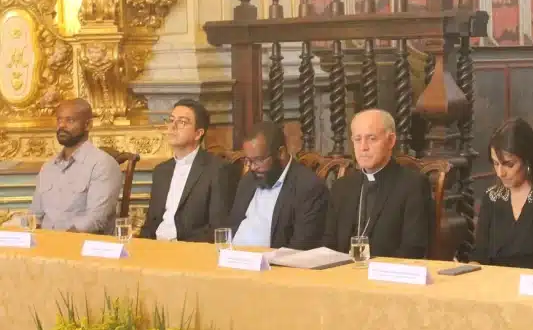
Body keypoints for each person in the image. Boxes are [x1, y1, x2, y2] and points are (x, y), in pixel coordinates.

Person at [323, 109, 433, 259]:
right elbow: (328, 245)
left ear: (391, 141)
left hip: (387, 278)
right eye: (357, 139)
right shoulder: (341, 187)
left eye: (372, 138)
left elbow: (413, 249)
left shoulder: (412, 186)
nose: (363, 147)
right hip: (342, 277)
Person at [469, 118, 533, 270]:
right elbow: (479, 255)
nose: (500, 173)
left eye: (508, 164)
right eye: (496, 163)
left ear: (528, 161)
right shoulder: (491, 198)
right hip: (494, 287)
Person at [140, 99, 230, 242]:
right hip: (155, 249)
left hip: (190, 251)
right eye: (171, 120)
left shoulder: (217, 169)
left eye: (182, 122)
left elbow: (217, 228)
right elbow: (150, 224)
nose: (172, 127)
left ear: (198, 133)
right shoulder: (161, 171)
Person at [229, 121, 329, 249]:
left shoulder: (309, 187)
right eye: (248, 160)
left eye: (259, 160)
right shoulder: (248, 180)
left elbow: (300, 248)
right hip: (233, 260)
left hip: (272, 265)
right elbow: (232, 227)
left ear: (281, 153)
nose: (252, 167)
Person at [30, 99, 122, 233]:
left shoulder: (102, 164)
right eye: (59, 120)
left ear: (88, 125)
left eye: (70, 120)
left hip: (80, 247)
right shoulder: (48, 167)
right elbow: (34, 216)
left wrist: (59, 242)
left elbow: (95, 220)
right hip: (43, 245)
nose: (62, 126)